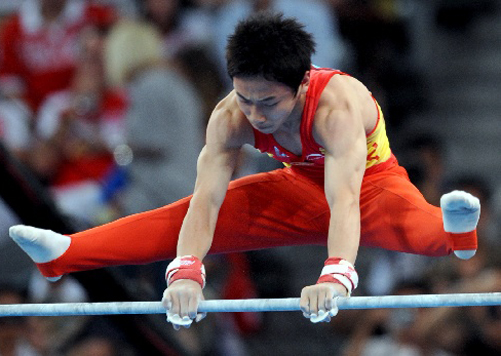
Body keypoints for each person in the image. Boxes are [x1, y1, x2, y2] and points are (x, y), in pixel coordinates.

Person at [9, 12, 481, 330]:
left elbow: (343, 200)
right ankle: (64, 254)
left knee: (421, 231)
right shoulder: (229, 114)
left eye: (269, 102)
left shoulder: (336, 108)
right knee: (181, 217)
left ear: (300, 84)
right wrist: (187, 273)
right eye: (246, 97)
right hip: (295, 190)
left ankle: (457, 233)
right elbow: (206, 201)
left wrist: (336, 275)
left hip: (368, 190)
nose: (255, 114)